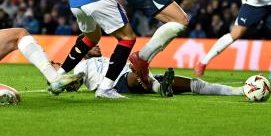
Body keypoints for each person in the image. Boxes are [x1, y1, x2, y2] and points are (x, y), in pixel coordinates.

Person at [71, 46, 243, 98]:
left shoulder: (109, 57)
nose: (98, 45)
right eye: (92, 45)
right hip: (121, 82)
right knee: (137, 70)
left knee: (194, 84)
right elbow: (76, 82)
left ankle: (240, 91)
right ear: (85, 50)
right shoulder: (82, 65)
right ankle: (157, 85)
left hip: (141, 77)